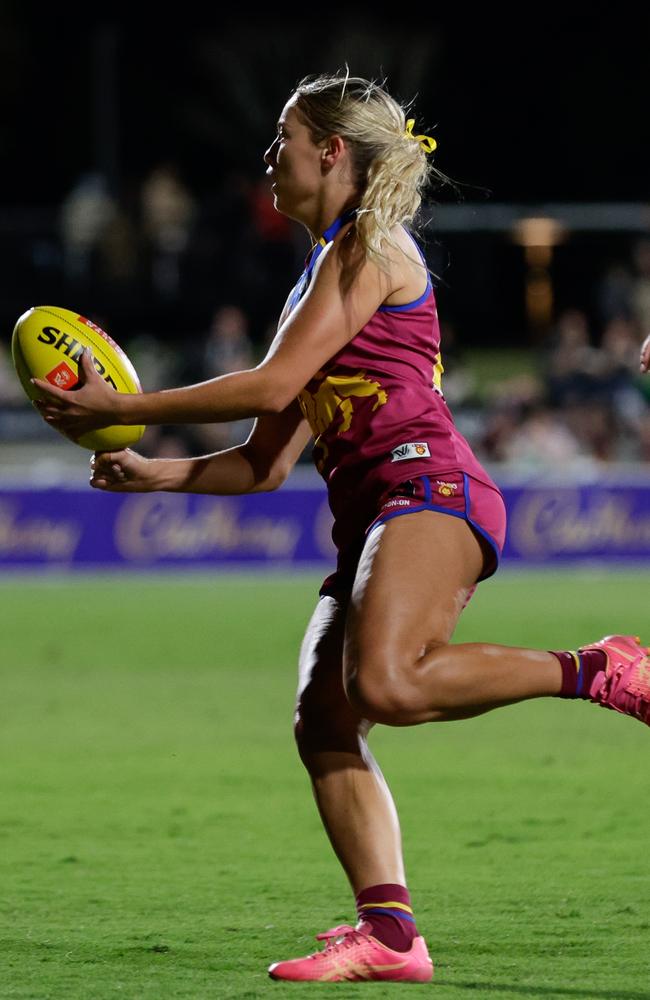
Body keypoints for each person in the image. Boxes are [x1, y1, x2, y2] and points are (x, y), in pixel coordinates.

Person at [33, 72, 650, 985]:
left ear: (332, 152)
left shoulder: (369, 246)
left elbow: (275, 387)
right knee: (324, 719)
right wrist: (149, 468)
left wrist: (124, 404)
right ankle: (392, 936)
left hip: (428, 488)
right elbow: (266, 460)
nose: (268, 156)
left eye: (283, 137)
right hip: (376, 514)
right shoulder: (313, 283)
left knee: (388, 686)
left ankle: (597, 668)